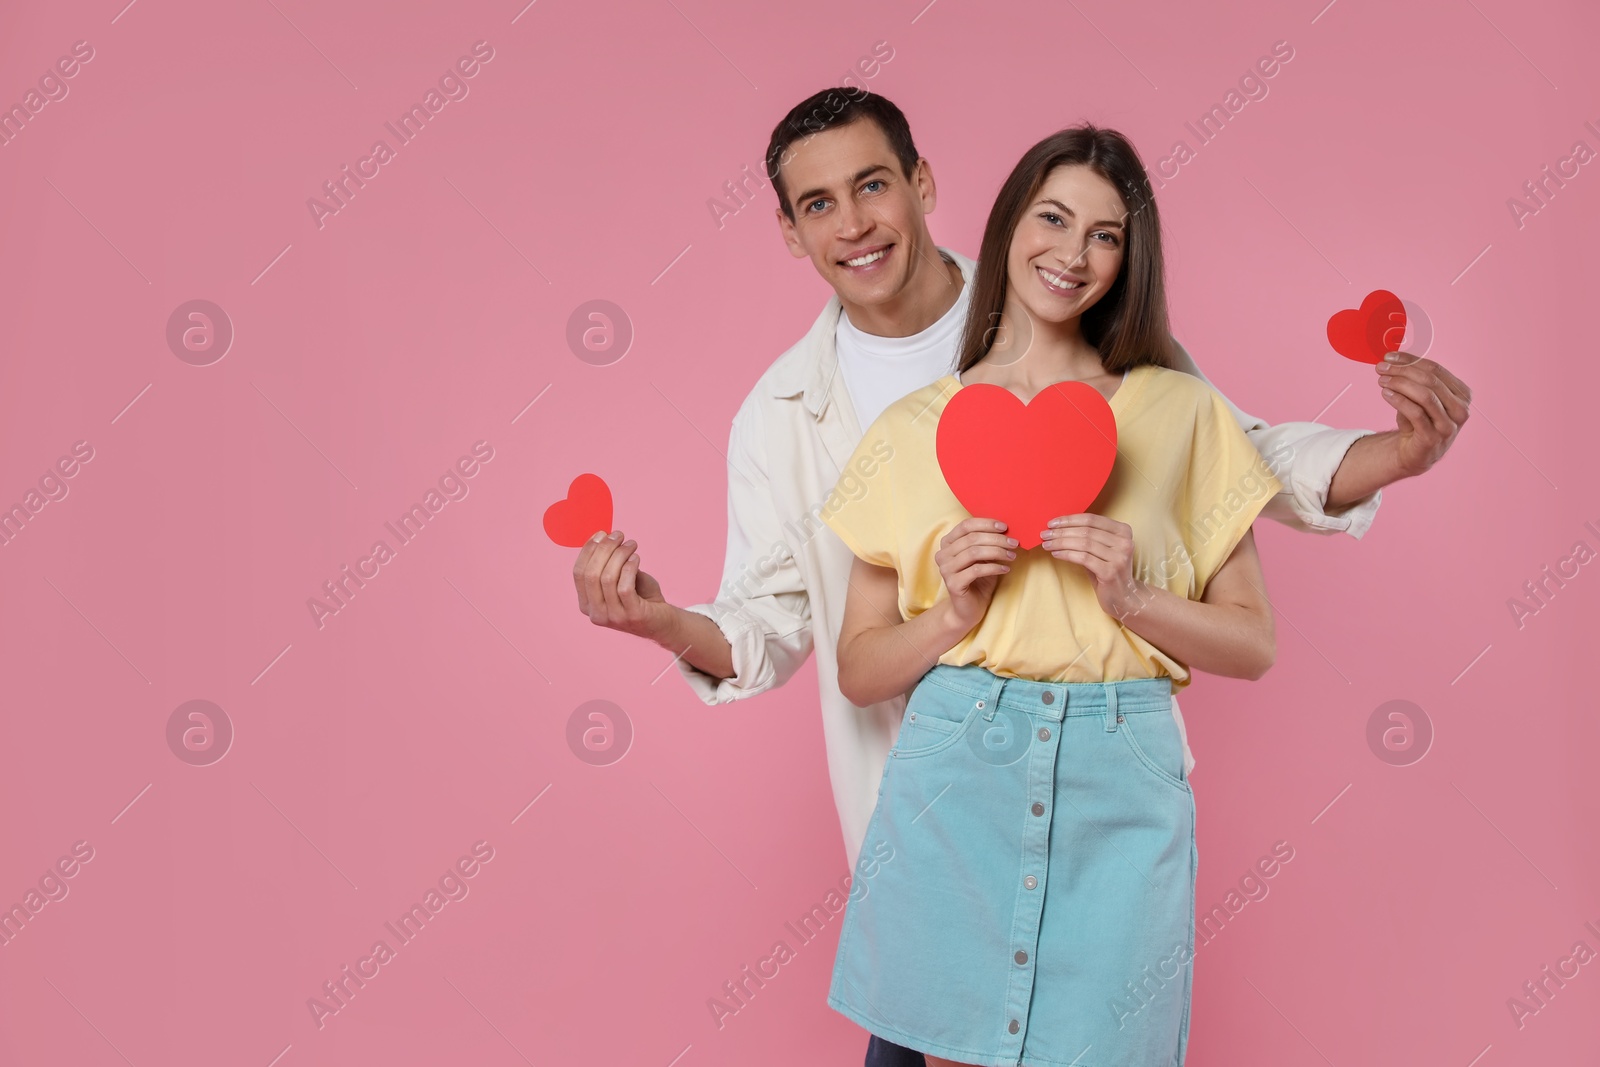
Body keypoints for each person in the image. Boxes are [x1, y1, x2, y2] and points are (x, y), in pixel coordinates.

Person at [569, 90, 1470, 1067]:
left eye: (872, 183)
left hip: (1118, 759)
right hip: (936, 772)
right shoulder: (827, 420)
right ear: (790, 232)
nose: (854, 220)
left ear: (922, 185)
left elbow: (1248, 467)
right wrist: (664, 620)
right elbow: (783, 625)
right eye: (818, 203)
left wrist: (1392, 456)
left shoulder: (1157, 389)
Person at [822, 121, 1282, 1067]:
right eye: (1054, 217)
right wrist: (951, 612)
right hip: (957, 762)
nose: (1072, 253)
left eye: (1106, 234)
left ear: (1129, 258)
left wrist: (1133, 595)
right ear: (1008, 226)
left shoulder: (1183, 411)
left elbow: (1254, 643)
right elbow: (860, 669)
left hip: (1126, 762)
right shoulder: (916, 430)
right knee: (930, 1042)